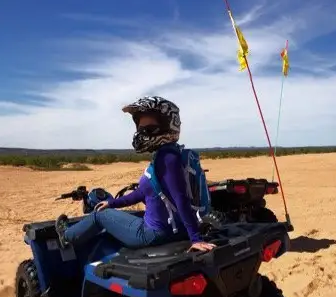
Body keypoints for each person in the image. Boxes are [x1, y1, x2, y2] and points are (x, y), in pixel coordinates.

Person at [54, 96, 216, 252]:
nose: (142, 133)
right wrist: (112, 203)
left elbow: (181, 198)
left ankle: (66, 236)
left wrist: (195, 239)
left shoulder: (166, 158)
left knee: (99, 216)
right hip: (174, 230)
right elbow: (141, 193)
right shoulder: (174, 154)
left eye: (150, 129)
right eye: (140, 128)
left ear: (169, 126)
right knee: (117, 211)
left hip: (154, 235)